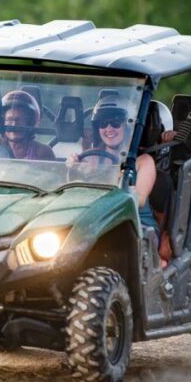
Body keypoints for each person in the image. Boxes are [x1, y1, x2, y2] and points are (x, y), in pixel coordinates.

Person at [68, 95, 172, 266]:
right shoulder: (89, 158)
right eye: (103, 123)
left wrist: (110, 178)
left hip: (135, 226)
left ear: (128, 125)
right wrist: (72, 170)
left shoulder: (143, 162)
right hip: (94, 225)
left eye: (115, 122)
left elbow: (138, 200)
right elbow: (72, 194)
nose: (109, 128)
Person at [0, 90, 56, 161]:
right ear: (1, 122)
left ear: (30, 122)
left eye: (20, 120)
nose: (14, 124)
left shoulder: (42, 152)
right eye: (9, 120)